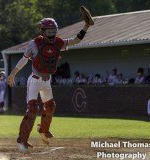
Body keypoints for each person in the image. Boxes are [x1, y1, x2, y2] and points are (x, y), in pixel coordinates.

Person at [8, 17, 91, 152]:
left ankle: (43, 130)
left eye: (54, 31)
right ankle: (21, 141)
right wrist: (13, 73)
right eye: (49, 32)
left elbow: (76, 40)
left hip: (47, 81)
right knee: (33, 109)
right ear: (41, 31)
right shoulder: (34, 43)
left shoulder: (58, 43)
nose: (52, 34)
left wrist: (86, 26)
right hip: (34, 80)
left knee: (50, 106)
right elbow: (24, 60)